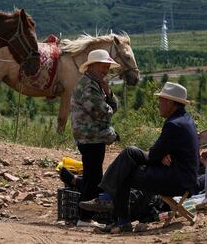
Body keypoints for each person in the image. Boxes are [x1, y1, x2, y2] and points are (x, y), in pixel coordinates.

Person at [79, 81, 199, 234]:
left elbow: (154, 153)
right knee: (130, 154)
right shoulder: (184, 119)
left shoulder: (174, 125)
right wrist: (161, 155)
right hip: (181, 175)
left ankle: (117, 215)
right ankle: (109, 201)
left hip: (177, 180)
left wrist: (160, 155)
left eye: (161, 101)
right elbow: (159, 153)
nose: (159, 104)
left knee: (126, 171)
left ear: (170, 102)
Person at [68, 49, 120, 228]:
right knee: (93, 176)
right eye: (103, 66)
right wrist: (109, 104)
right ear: (92, 66)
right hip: (90, 138)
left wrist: (109, 95)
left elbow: (110, 108)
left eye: (107, 67)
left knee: (93, 175)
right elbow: (102, 113)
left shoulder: (94, 84)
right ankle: (85, 218)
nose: (106, 70)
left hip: (93, 137)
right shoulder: (89, 86)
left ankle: (85, 216)